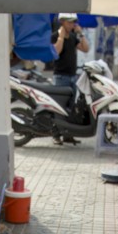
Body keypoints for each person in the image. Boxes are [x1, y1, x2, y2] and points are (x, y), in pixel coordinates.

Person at [51, 12, 90, 145]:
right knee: (58, 107)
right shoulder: (55, 36)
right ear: (62, 22)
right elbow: (56, 52)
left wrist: (81, 33)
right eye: (70, 22)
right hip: (60, 77)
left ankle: (68, 135)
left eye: (74, 22)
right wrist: (61, 37)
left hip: (72, 77)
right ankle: (56, 135)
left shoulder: (73, 37)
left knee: (71, 107)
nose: (73, 24)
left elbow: (85, 48)